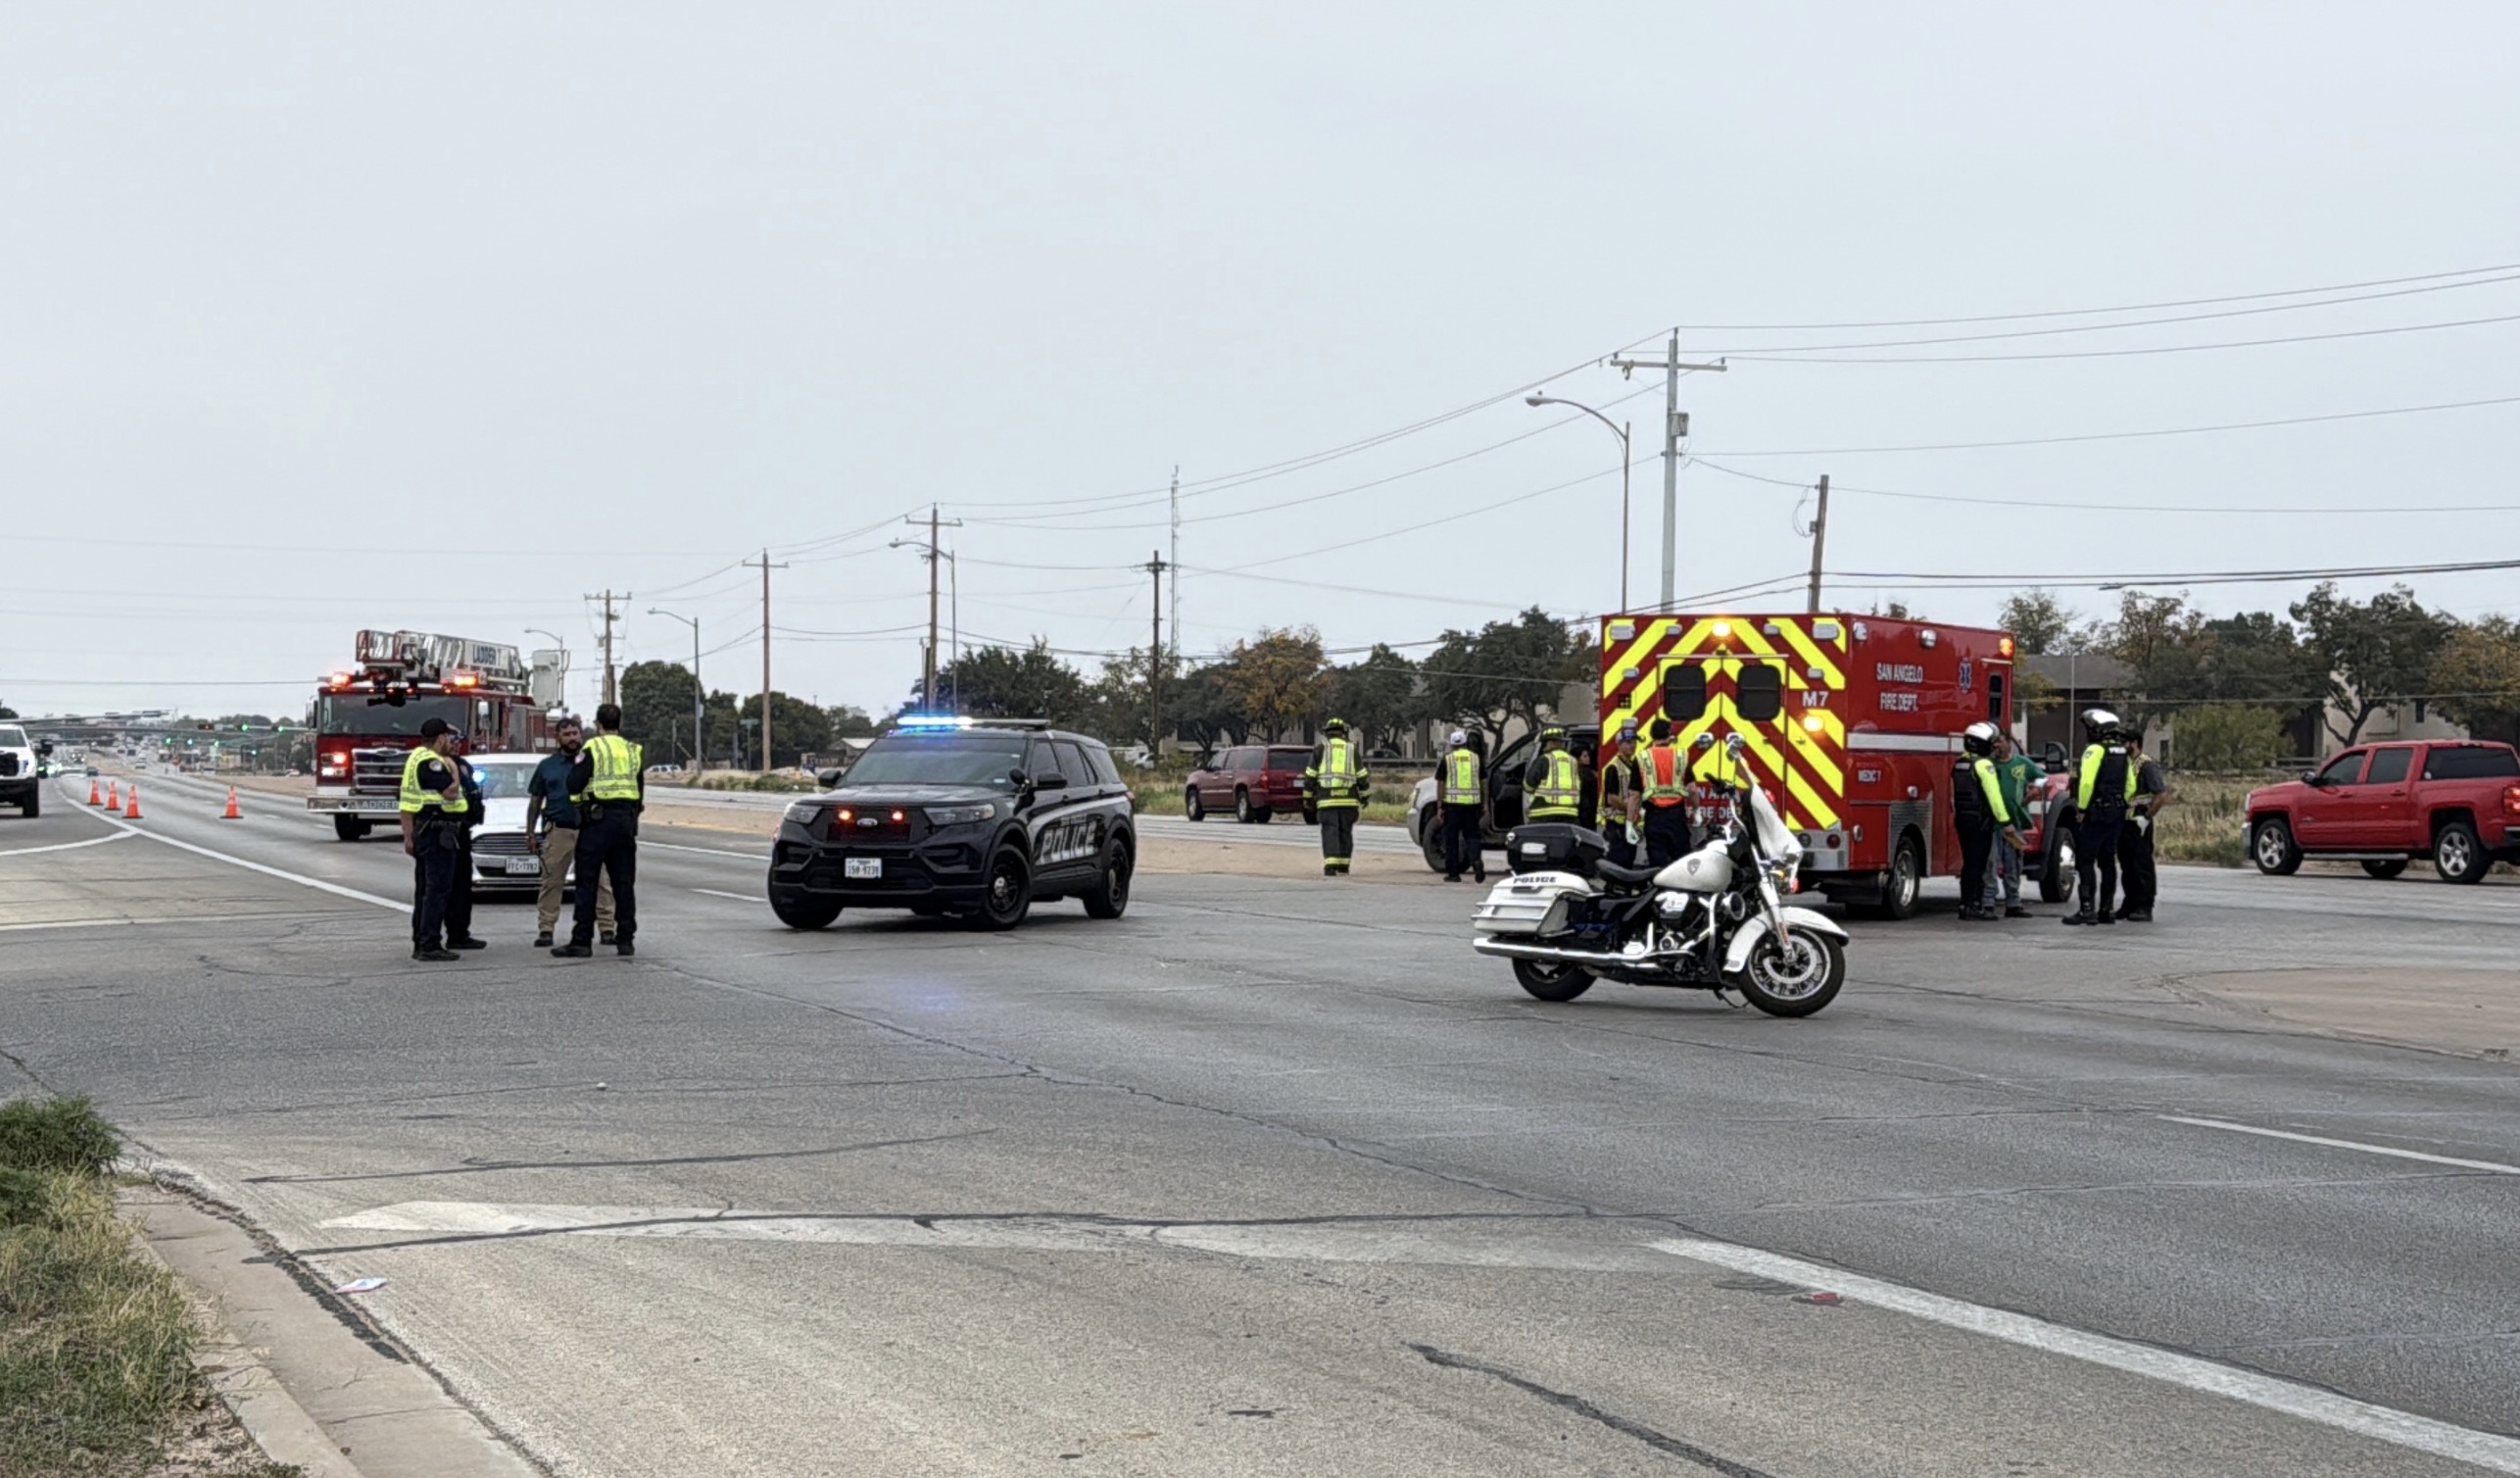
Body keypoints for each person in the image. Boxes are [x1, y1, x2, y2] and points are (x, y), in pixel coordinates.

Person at [553, 703, 643, 957]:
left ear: (598, 724)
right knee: (623, 884)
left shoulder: (593, 747)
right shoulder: (633, 750)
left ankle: (581, 940)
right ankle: (626, 939)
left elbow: (574, 783)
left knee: (587, 882)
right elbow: (639, 791)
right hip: (625, 822)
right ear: (619, 723)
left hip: (598, 822)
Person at [525, 715, 615, 948]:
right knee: (552, 881)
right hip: (559, 830)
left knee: (601, 881)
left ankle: (607, 928)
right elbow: (536, 800)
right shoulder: (547, 766)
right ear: (558, 738)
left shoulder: (591, 761)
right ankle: (546, 928)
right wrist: (531, 832)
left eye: (575, 734)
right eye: (567, 735)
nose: (573, 738)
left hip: (591, 830)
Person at [399, 717, 469, 961]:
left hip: (425, 830)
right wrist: (454, 771)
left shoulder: (415, 758)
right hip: (438, 832)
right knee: (437, 891)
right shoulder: (432, 763)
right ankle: (430, 944)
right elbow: (450, 793)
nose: (450, 741)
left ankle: (421, 941)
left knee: (425, 890)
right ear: (440, 738)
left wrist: (408, 836)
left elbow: (406, 804)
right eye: (448, 737)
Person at [2063, 708, 2137, 926]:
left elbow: (2086, 782)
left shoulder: (2094, 750)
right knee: (2108, 861)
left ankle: (2087, 909)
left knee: (2086, 860)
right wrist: (2121, 803)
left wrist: (2082, 808)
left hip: (2096, 812)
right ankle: (2106, 910)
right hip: (2116, 812)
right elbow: (2130, 784)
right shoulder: (2122, 752)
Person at [1953, 721, 2023, 921]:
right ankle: (1975, 905)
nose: (1993, 747)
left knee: (1968, 864)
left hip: (1962, 819)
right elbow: (1994, 797)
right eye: (1990, 743)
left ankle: (1965, 904)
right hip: (1980, 821)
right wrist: (2006, 821)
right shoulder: (1984, 765)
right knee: (1979, 865)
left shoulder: (1961, 763)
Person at [1984, 729, 2045, 918]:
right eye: (1994, 742)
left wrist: (2034, 791)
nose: (1996, 745)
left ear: (2009, 743)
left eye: (2000, 741)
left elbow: (2042, 776)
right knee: (1991, 862)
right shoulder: (1989, 765)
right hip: (1993, 823)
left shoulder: (2022, 763)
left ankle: (2013, 903)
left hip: (2015, 822)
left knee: (2013, 864)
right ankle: (1988, 902)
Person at [2115, 737, 2174, 922]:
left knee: (2142, 864)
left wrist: (2147, 817)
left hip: (2140, 821)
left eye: (2124, 743)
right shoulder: (2125, 764)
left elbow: (2161, 793)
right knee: (2127, 864)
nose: (2121, 746)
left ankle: (2145, 905)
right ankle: (2130, 903)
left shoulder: (2147, 765)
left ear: (2134, 743)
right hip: (2125, 821)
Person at [1303, 717, 1369, 877]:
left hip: (1327, 800)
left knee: (1330, 831)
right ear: (1343, 732)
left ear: (1327, 733)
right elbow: (1361, 775)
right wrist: (1365, 796)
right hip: (1349, 800)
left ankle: (1330, 866)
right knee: (1346, 831)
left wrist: (1307, 797)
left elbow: (1311, 775)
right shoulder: (1351, 749)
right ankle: (1344, 865)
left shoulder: (1320, 749)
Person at [440, 742, 490, 951]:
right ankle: (431, 937)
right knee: (443, 886)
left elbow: (472, 793)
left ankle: (460, 933)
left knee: (462, 885)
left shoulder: (465, 766)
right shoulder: (437, 765)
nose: (454, 746)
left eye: (456, 741)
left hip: (463, 829)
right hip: (444, 829)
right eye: (449, 741)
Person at [1637, 717, 1693, 867]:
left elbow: (1634, 795)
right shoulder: (1681, 756)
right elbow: (1692, 789)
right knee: (1680, 863)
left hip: (1654, 817)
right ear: (1669, 734)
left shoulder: (1643, 758)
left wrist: (1631, 821)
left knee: (1657, 862)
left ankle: (1658, 889)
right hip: (1676, 817)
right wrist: (1697, 810)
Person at [1437, 728, 1485, 883]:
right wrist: (1484, 804)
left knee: (1451, 840)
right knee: (1472, 837)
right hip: (1472, 805)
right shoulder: (1476, 759)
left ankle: (1453, 873)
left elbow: (1441, 783)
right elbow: (1484, 782)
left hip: (1452, 806)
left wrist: (1439, 806)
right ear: (1465, 743)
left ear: (1452, 745)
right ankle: (1476, 862)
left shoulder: (1448, 759)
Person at [1599, 722, 1642, 866]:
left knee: (1630, 858)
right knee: (1619, 860)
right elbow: (1611, 799)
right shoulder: (1613, 767)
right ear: (1619, 744)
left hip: (1628, 822)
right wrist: (1632, 809)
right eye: (1629, 742)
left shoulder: (1632, 765)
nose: (1633, 745)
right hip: (1616, 823)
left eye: (1634, 742)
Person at [1523, 726, 1582, 824]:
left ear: (1550, 743)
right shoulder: (1573, 761)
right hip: (1570, 814)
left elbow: (1528, 785)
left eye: (1544, 744)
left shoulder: (1544, 759)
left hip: (1543, 813)